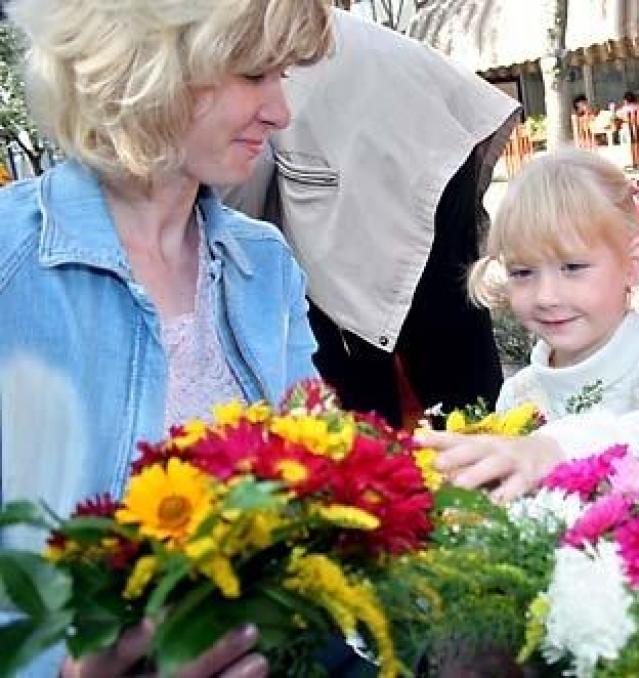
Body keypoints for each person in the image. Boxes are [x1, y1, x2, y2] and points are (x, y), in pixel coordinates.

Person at [0, 0, 334, 675]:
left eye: (283, 77)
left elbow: (320, 473)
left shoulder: (264, 264)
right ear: (145, 65)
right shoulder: (12, 263)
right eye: (251, 73)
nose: (280, 113)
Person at [224, 10, 519, 428]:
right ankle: (473, 440)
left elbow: (233, 211)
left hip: (377, 154)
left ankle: (414, 457)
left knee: (365, 340)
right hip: (427, 128)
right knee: (448, 325)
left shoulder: (234, 40)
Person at [418, 150, 639, 503]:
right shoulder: (520, 395)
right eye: (523, 273)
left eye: (573, 267)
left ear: (632, 264)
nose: (546, 296)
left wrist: (555, 450)